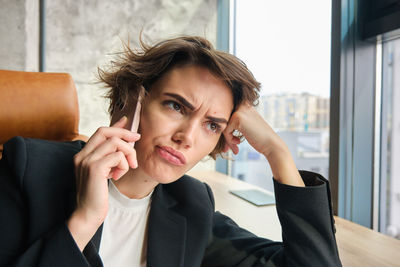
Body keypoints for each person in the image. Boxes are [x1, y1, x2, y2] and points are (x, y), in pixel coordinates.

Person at [0, 36, 342, 267]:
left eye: (212, 125)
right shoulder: (26, 168)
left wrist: (277, 152)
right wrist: (85, 219)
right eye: (176, 106)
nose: (187, 136)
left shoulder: (191, 205)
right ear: (134, 98)